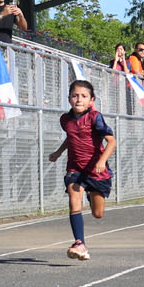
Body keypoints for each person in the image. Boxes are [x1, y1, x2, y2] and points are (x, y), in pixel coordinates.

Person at [48, 79, 116, 261]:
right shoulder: (65, 120)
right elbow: (71, 138)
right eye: (75, 95)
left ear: (91, 100)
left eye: (84, 96)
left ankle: (91, 193)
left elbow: (112, 141)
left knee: (97, 213)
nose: (79, 99)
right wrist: (58, 152)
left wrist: (102, 160)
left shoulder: (95, 117)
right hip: (75, 168)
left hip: (96, 170)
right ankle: (80, 243)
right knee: (73, 199)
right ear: (69, 98)